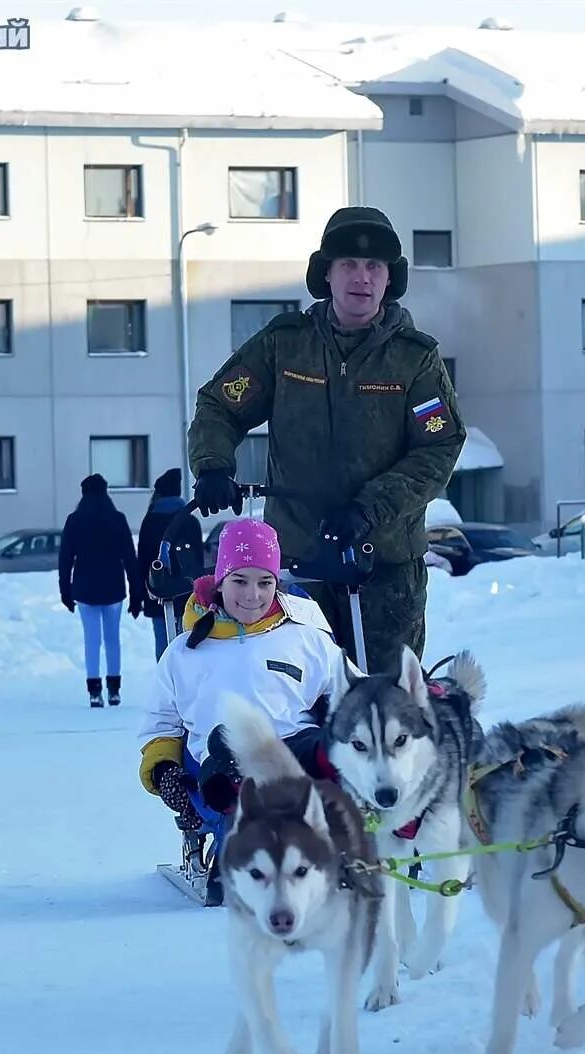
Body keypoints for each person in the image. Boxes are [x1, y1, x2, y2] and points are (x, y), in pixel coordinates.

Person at [187, 205, 465, 674]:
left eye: (374, 266)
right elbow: (219, 404)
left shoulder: (414, 359)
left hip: (385, 565)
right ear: (327, 275)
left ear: (389, 278)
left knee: (384, 708)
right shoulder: (285, 344)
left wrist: (366, 509)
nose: (362, 277)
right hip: (298, 560)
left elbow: (437, 448)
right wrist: (214, 464)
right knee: (294, 699)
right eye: (349, 265)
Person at [137, 517, 348, 829]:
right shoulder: (184, 653)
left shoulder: (305, 638)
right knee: (230, 753)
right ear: (220, 581)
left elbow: (353, 690)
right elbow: (161, 723)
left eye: (265, 583)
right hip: (222, 765)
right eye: (240, 581)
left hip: (295, 750)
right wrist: (164, 770)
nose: (252, 595)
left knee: (326, 752)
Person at [59, 473, 143, 708]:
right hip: (113, 586)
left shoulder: (75, 520)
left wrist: (65, 590)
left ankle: (94, 690)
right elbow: (129, 557)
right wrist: (136, 594)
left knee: (91, 640)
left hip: (85, 588)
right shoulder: (117, 519)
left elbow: (65, 558)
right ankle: (114, 689)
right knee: (112, 639)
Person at [137, 468, 202, 661]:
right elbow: (198, 562)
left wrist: (140, 595)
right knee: (187, 642)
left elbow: (142, 561)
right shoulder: (189, 521)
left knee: (163, 644)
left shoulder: (150, 521)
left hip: (158, 589)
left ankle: (165, 683)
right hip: (187, 592)